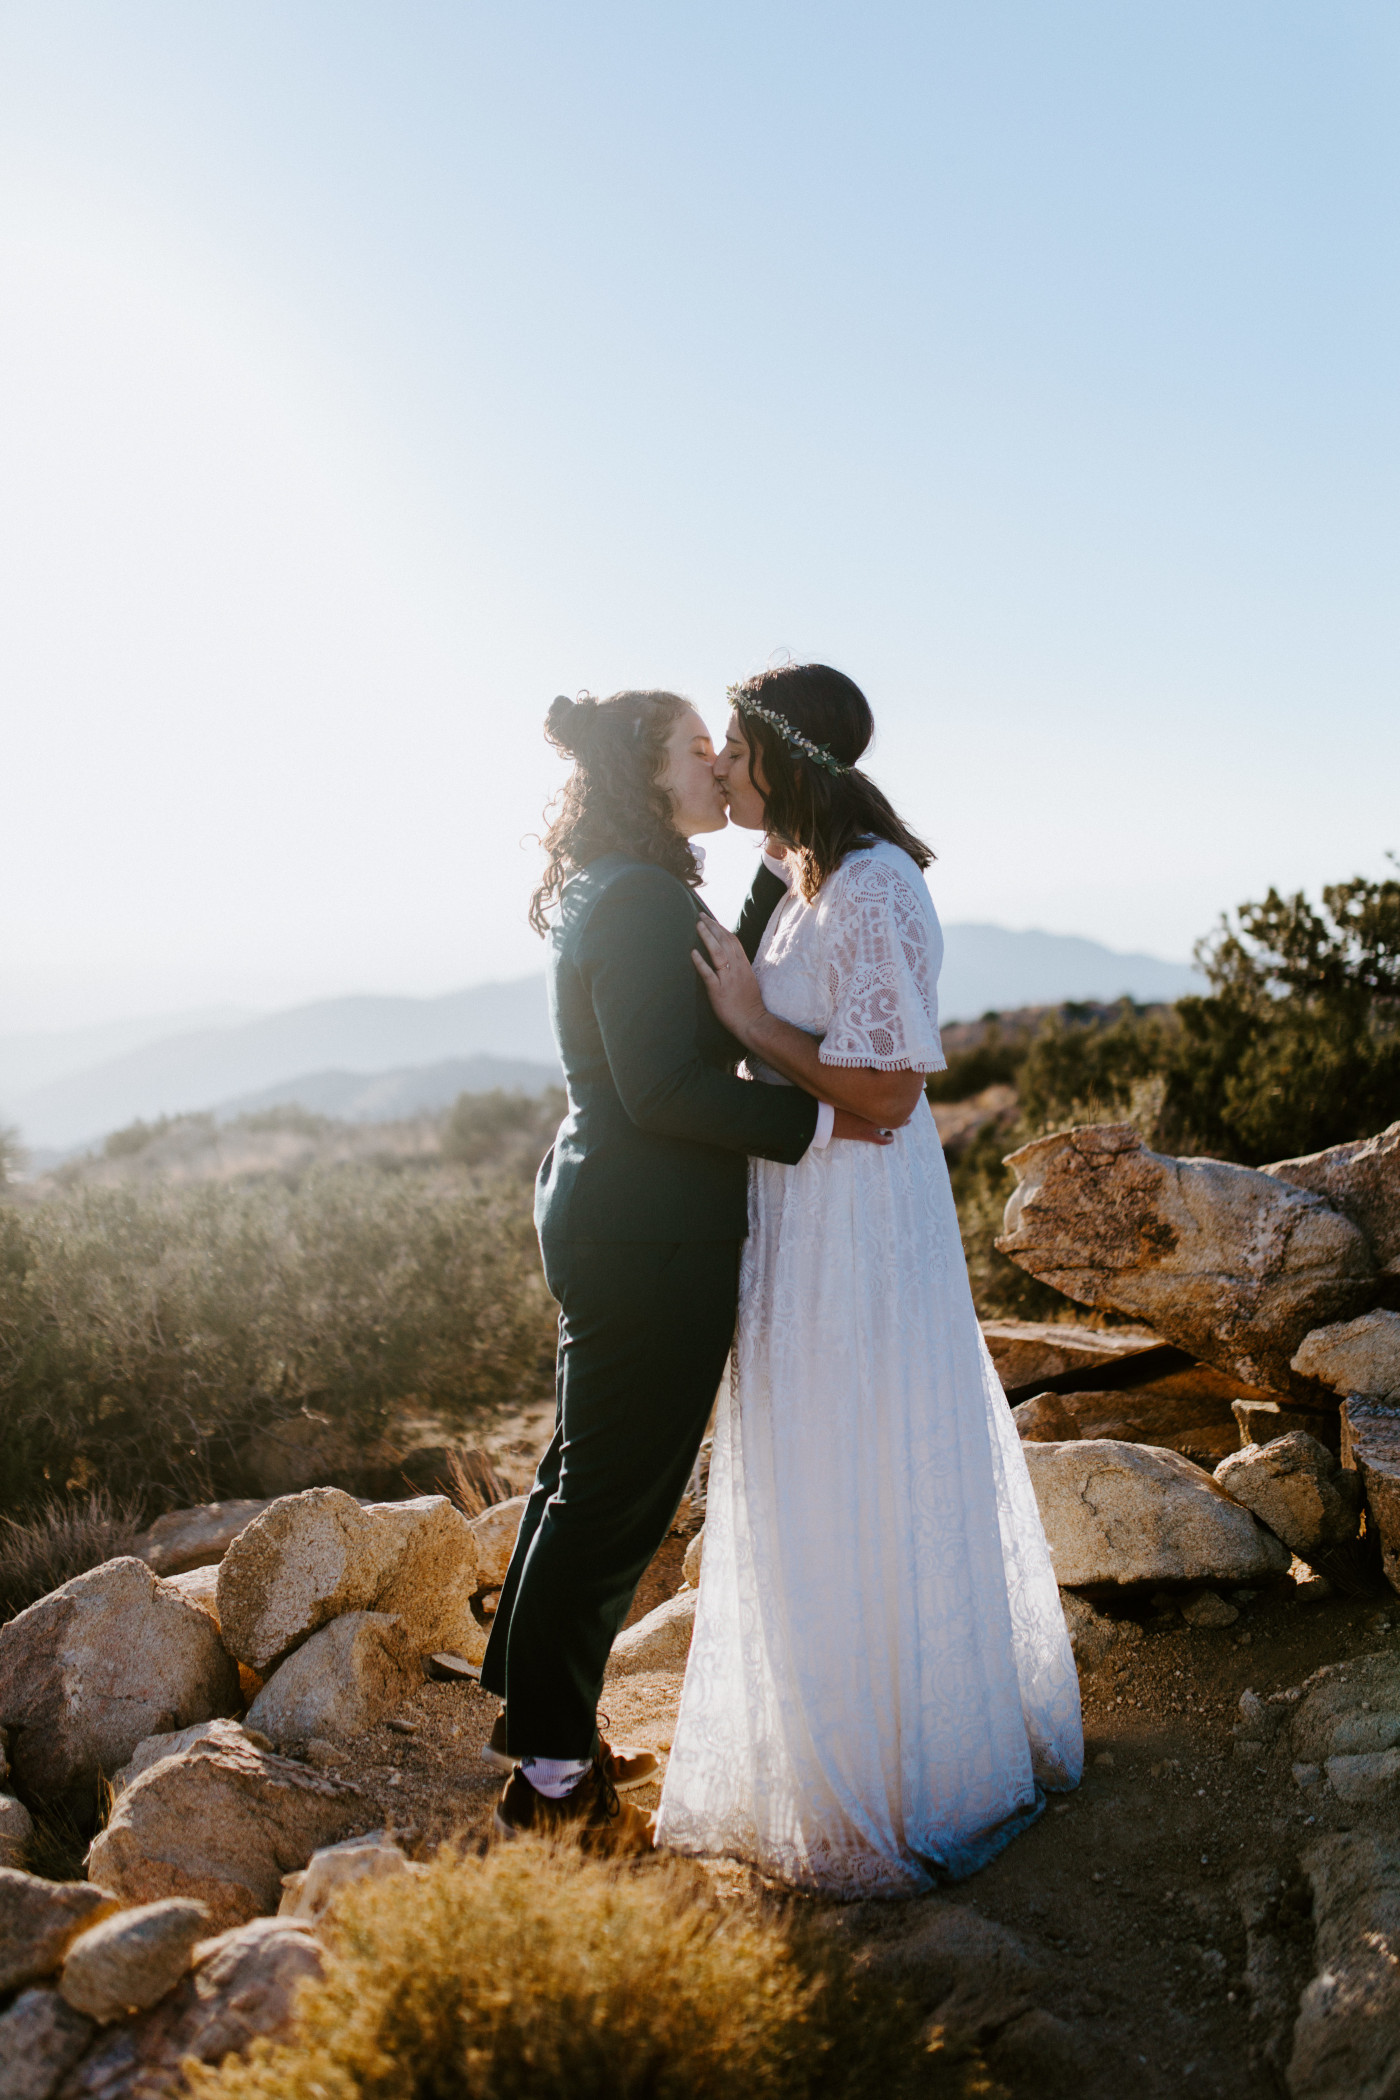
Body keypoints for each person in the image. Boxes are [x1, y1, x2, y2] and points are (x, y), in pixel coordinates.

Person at [656, 663, 1083, 1893]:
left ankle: (910, 1771)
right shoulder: (804, 882)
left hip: (856, 1220)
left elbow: (892, 1095)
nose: (719, 767)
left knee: (864, 1461)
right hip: (797, 1211)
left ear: (782, 754)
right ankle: (828, 1738)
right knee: (813, 1466)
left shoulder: (880, 891)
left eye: (731, 747)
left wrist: (746, 1025)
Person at [484, 688, 890, 1853]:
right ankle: (554, 1780)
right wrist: (822, 1130)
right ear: (647, 774)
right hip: (647, 1238)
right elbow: (664, 1090)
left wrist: (768, 873)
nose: (719, 762)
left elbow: (696, 1021)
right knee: (610, 1504)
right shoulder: (633, 900)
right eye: (696, 748)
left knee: (582, 1478)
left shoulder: (634, 886)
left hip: (623, 1224)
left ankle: (542, 1733)